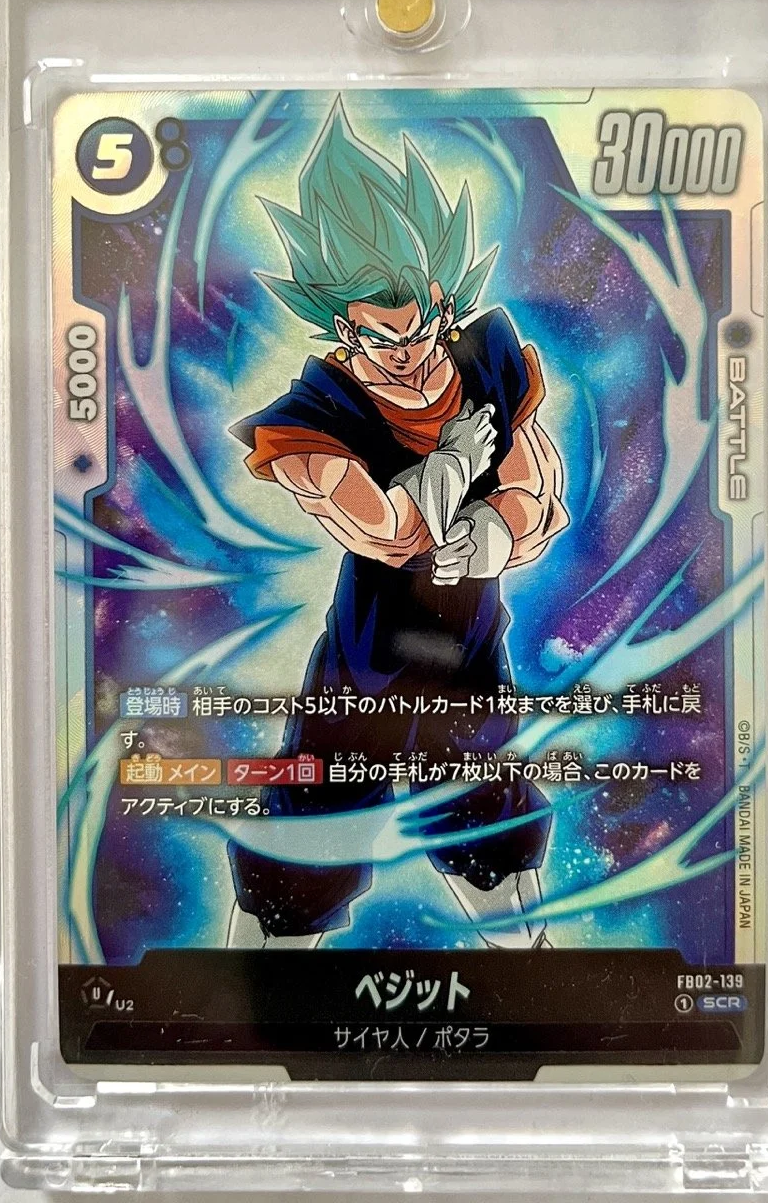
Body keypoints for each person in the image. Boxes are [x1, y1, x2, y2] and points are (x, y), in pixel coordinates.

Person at [228, 98, 569, 949]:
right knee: (313, 826)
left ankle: (531, 968)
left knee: (486, 817)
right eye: (383, 340)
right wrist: (449, 466)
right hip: (366, 662)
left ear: (439, 301)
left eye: (418, 330)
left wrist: (501, 524)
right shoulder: (314, 416)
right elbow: (383, 531)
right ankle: (248, 991)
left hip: (469, 650)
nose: (410, 357)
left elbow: (537, 483)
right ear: (342, 327)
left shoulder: (486, 359)